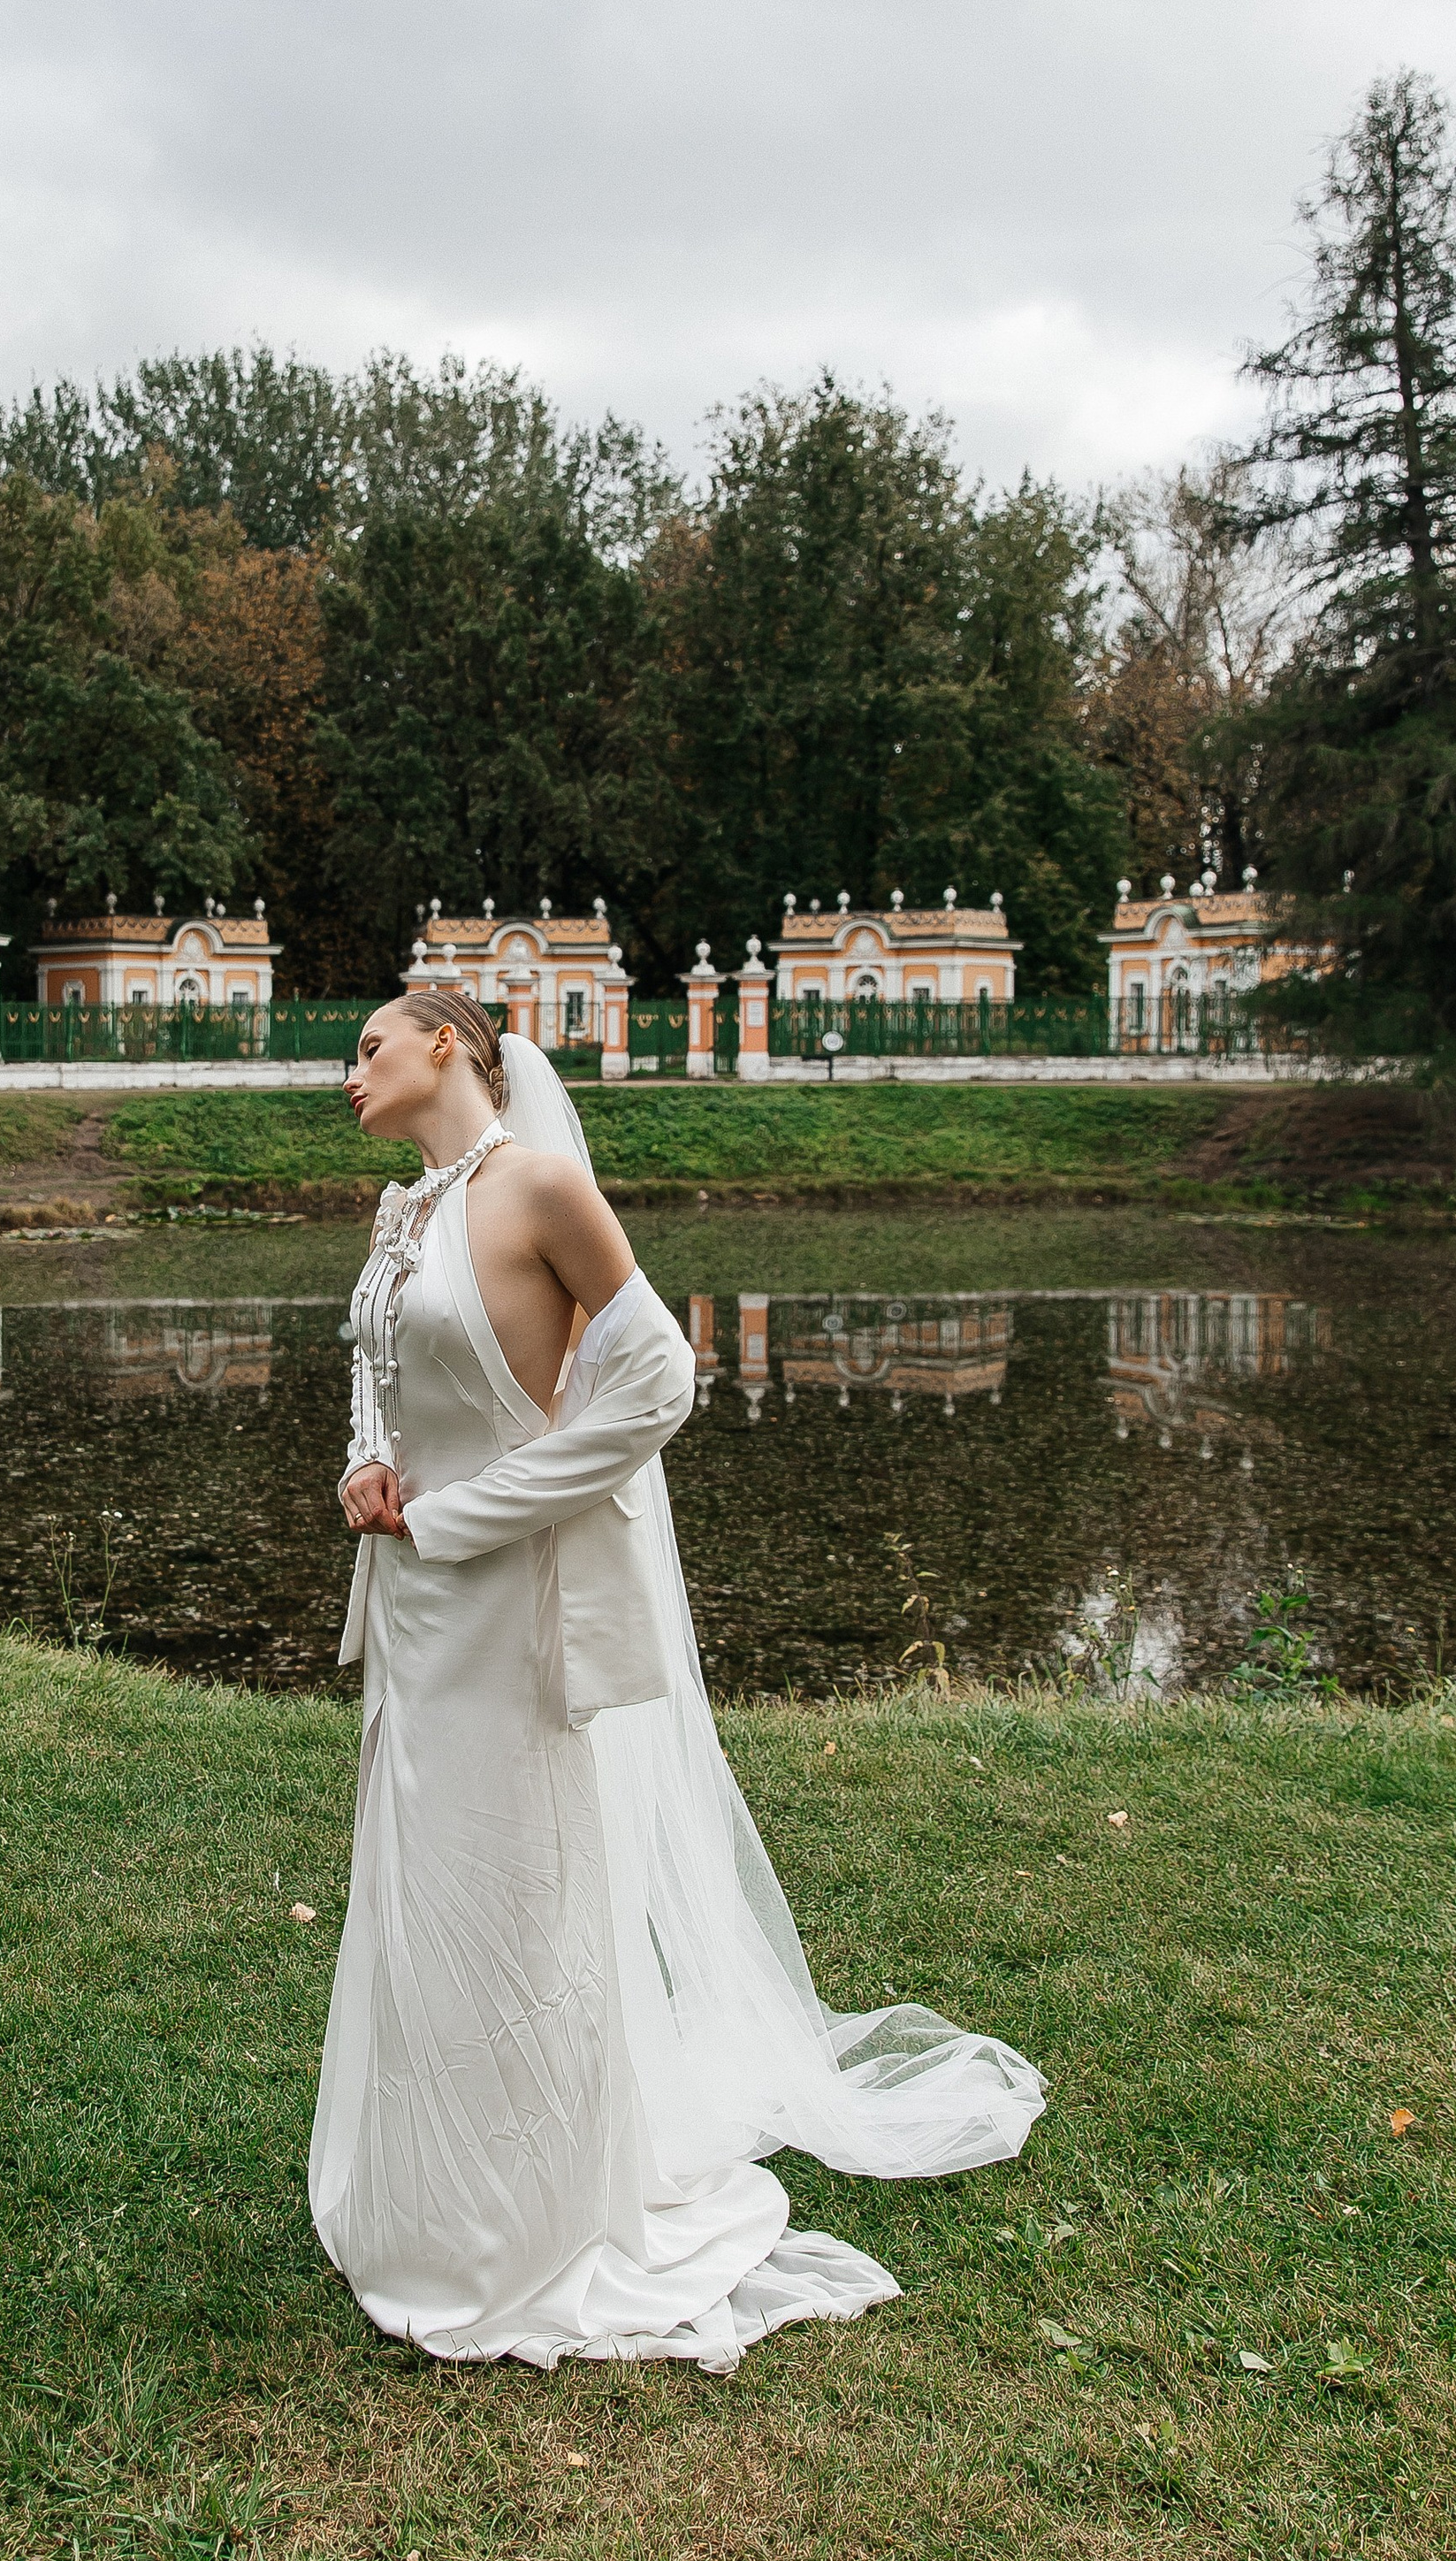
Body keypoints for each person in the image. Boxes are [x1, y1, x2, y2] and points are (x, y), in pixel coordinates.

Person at [309, 987, 1045, 2373]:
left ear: (451, 1048)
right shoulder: (399, 1214)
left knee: (516, 1889)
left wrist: (469, 1512)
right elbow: (373, 1368)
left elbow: (657, 1380)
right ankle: (422, 2202)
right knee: (416, 1886)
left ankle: (530, 2221)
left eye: (369, 1046)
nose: (349, 1071)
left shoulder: (541, 1189)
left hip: (505, 1597)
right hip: (409, 1604)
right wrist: (366, 1462)